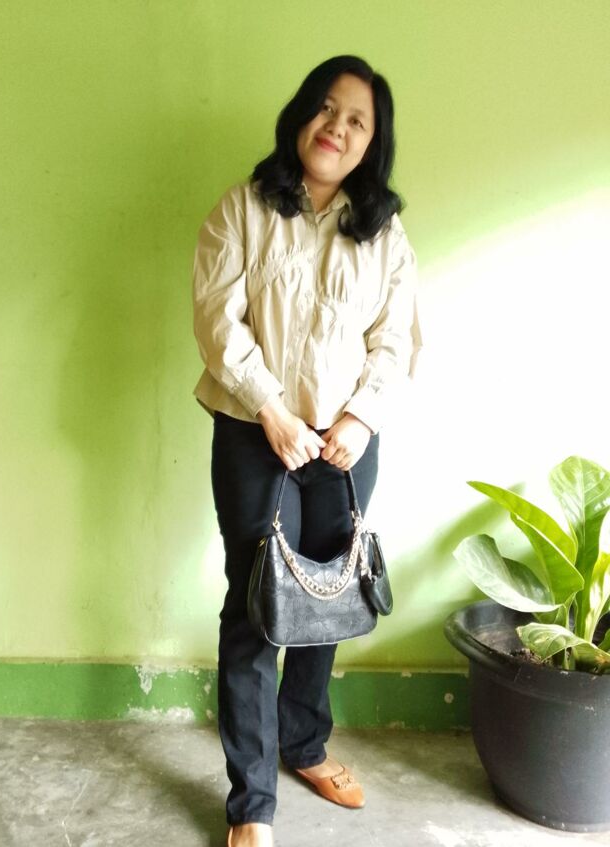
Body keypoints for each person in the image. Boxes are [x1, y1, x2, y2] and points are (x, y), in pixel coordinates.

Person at [192, 54, 421, 847]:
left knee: (326, 599)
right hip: (256, 435)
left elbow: (395, 339)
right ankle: (251, 803)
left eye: (357, 120)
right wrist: (273, 411)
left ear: (371, 143)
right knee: (256, 609)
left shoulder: (384, 232)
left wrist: (359, 419)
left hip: (345, 444)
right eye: (327, 108)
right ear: (301, 116)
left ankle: (305, 743)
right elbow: (217, 320)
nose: (337, 127)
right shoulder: (242, 209)